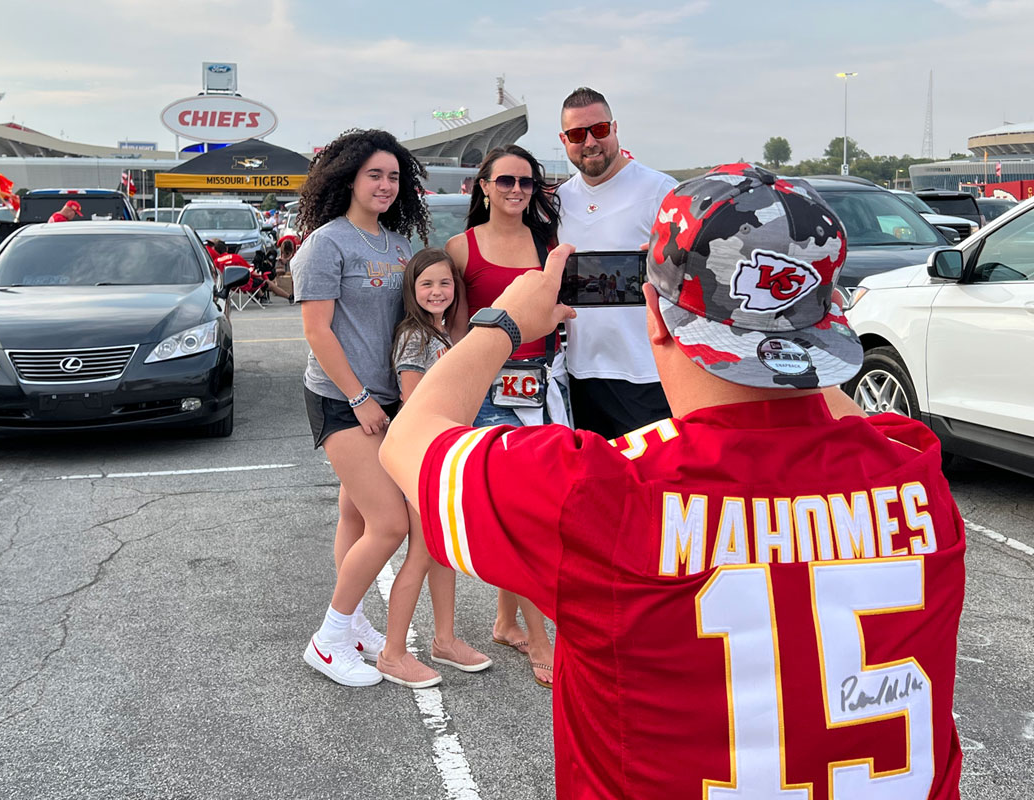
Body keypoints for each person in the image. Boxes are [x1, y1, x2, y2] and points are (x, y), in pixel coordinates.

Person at [381, 164, 966, 799]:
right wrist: (796, 332)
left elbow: (410, 440)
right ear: (829, 319)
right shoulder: (915, 472)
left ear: (653, 312)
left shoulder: (604, 490)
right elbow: (838, 419)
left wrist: (503, 322)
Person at [292, 128, 429, 687]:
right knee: (391, 522)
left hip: (389, 398)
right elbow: (318, 331)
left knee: (355, 516)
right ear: (348, 177)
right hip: (340, 398)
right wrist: (360, 397)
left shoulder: (398, 246)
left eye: (394, 176)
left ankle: (352, 625)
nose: (386, 184)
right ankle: (328, 640)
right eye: (374, 174)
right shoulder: (326, 244)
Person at [446, 143, 564, 689]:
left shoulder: (549, 245)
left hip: (545, 385)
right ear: (484, 187)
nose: (517, 190)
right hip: (489, 393)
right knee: (517, 512)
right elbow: (454, 335)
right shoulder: (460, 249)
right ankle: (538, 639)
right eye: (506, 181)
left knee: (534, 507)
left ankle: (505, 621)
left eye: (526, 182)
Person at [376, 247, 491, 687]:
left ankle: (444, 640)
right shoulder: (415, 335)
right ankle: (392, 653)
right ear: (412, 290)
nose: (437, 291)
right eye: (427, 284)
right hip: (421, 457)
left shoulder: (443, 333)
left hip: (441, 454)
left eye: (445, 283)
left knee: (443, 551)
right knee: (422, 553)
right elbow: (412, 399)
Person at [557, 87, 678, 439]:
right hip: (582, 373)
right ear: (564, 140)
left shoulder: (659, 190)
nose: (590, 142)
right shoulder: (562, 199)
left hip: (646, 373)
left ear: (615, 128)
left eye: (600, 130)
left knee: (652, 484)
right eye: (578, 134)